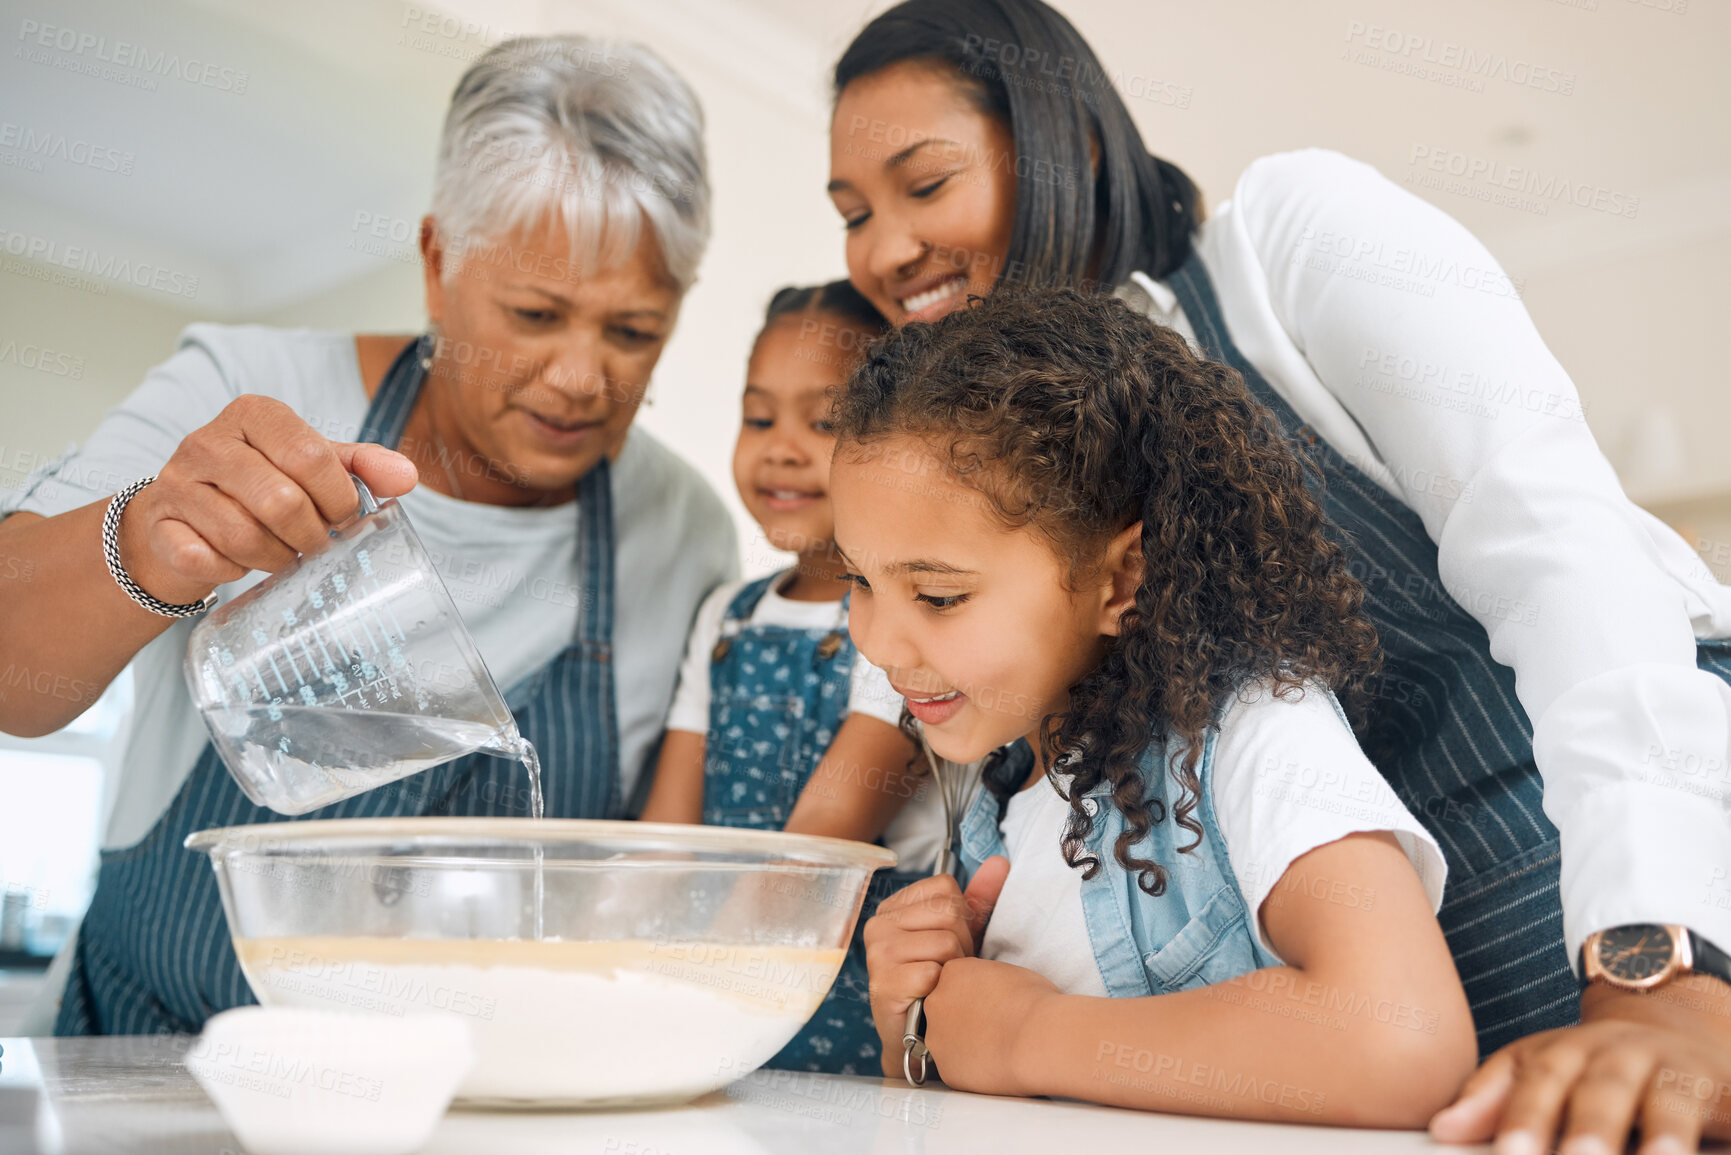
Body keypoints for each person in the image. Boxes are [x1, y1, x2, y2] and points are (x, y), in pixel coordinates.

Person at [825, 2, 1731, 1151]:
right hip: (1458, 998)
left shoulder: (1295, 243)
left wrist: (1666, 975)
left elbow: (1567, 567)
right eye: (851, 214)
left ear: (1077, 148)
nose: (880, 251)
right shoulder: (1027, 511)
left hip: (1664, 886)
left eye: (924, 184)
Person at [0, 35, 738, 1037]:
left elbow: (652, 876)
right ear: (439, 265)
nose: (579, 376)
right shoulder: (245, 387)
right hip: (149, 1076)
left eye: (633, 331)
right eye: (535, 312)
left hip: (473, 1107)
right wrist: (149, 543)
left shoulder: (685, 532)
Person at [840, 285, 1476, 1123]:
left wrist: (1028, 1032)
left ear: (1122, 578)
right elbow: (940, 1109)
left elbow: (1404, 1040)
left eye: (938, 595)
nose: (878, 644)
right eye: (857, 579)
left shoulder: (1250, 731)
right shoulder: (1000, 795)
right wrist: (913, 1026)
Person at [641, 279, 939, 1072]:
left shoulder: (908, 620)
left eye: (825, 422)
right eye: (759, 417)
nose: (781, 447)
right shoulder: (725, 617)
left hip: (850, 991)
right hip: (716, 982)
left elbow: (819, 844)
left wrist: (697, 986)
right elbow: (666, 847)